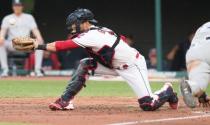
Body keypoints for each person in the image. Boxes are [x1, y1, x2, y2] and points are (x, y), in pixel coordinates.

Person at [12, 8, 178, 111]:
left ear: (85, 23)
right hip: (114, 64)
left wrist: (37, 46)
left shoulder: (91, 35)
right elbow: (121, 38)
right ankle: (65, 101)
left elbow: (61, 46)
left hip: (132, 66)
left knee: (148, 105)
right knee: (86, 64)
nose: (72, 27)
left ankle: (167, 91)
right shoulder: (98, 30)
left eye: (75, 23)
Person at [0, 0, 44, 77]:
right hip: (12, 44)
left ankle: (37, 69)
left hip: (26, 43)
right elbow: (3, 30)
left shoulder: (29, 17)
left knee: (40, 43)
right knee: (1, 43)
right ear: (13, 7)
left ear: (22, 7)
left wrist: (39, 37)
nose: (17, 7)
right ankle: (5, 70)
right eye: (15, 6)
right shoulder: (7, 18)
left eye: (19, 6)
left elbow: (35, 29)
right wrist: (1, 37)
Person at [180, 22, 210, 108]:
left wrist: (201, 94)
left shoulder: (203, 26)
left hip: (194, 54)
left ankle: (190, 86)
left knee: (198, 84)